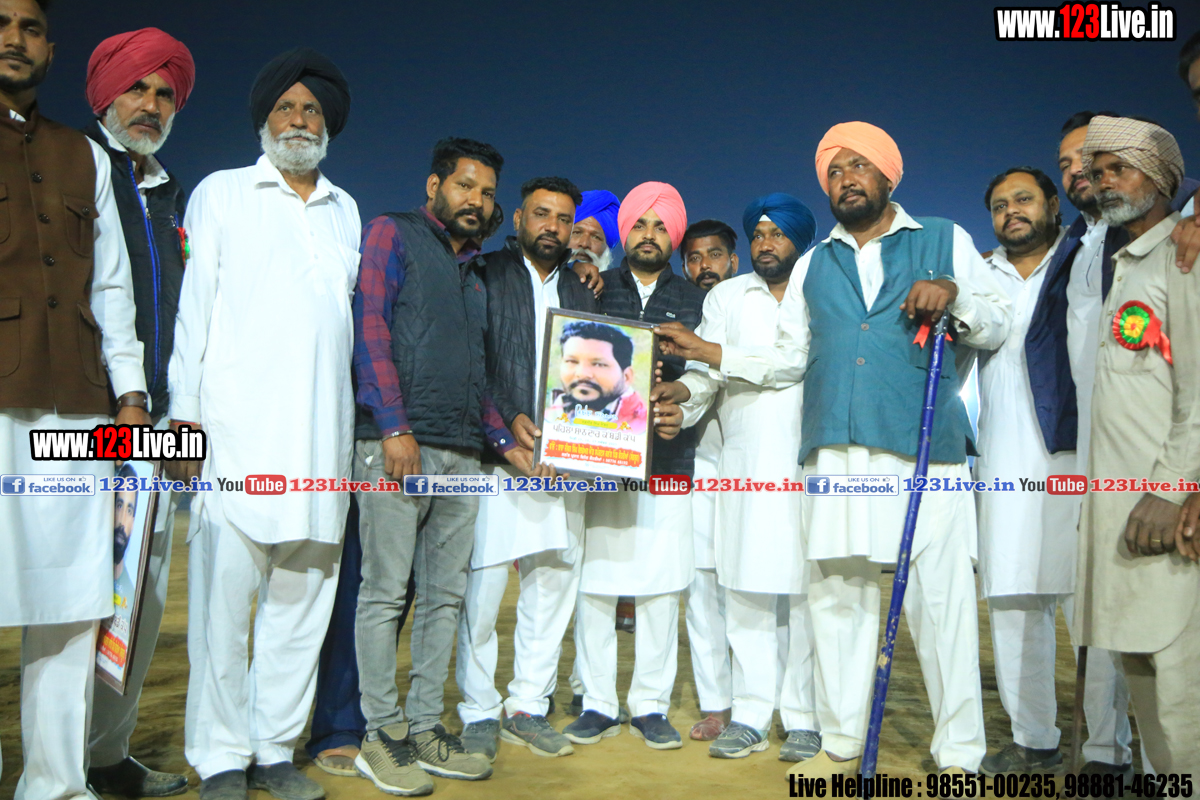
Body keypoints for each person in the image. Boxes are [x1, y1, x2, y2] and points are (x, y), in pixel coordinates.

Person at [656, 122, 1011, 778]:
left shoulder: (944, 238)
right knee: (838, 604)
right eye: (835, 170)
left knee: (942, 608)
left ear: (887, 175)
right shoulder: (815, 262)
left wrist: (956, 296)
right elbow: (790, 357)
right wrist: (712, 356)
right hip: (833, 454)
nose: (846, 178)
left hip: (923, 450)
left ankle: (960, 755)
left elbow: (997, 321)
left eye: (858, 166)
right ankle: (841, 744)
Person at [168, 47, 360, 800]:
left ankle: (274, 747)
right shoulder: (221, 192)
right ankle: (219, 756)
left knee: (300, 607)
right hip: (237, 439)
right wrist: (182, 423)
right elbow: (193, 315)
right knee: (222, 610)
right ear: (263, 120)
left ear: (328, 124)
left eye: (311, 109)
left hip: (321, 443)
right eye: (285, 107)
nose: (299, 120)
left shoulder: (344, 210)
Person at [0, 2, 151, 797]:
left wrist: (131, 396)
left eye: (29, 27)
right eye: (1, 22)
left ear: (50, 49)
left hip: (79, 410)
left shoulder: (81, 154)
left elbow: (112, 287)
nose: (13, 39)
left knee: (69, 598)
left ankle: (54, 785)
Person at [351, 138, 523, 795]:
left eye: (487, 192)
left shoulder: (475, 272)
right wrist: (394, 426)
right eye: (465, 186)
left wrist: (503, 441)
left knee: (444, 599)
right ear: (435, 186)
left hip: (463, 453)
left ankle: (425, 727)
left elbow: (477, 370)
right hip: (400, 447)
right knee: (385, 593)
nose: (476, 200)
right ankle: (380, 735)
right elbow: (370, 328)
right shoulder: (391, 233)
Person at [82, 27, 195, 798]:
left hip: (151, 427)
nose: (151, 105)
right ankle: (57, 766)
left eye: (165, 93)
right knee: (73, 601)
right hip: (78, 417)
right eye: (137, 88)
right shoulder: (74, 167)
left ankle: (105, 757)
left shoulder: (167, 196)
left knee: (142, 596)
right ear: (105, 95)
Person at [671, 194, 821, 762]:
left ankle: (804, 717)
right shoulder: (727, 297)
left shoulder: (819, 291)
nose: (765, 244)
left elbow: (794, 361)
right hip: (744, 464)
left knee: (805, 595)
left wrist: (713, 353)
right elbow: (703, 375)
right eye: (757, 234)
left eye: (776, 233)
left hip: (809, 461)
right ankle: (753, 713)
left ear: (799, 240)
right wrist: (679, 396)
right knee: (746, 591)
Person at [1073, 115, 1200, 778]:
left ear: (1160, 178)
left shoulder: (1185, 255)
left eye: (1118, 168)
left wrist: (1172, 487)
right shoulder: (1123, 264)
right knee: (1145, 680)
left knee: (1182, 695)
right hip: (1122, 519)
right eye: (1096, 172)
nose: (1103, 182)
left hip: (1166, 516)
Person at [456, 176, 598, 762]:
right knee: (484, 586)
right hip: (499, 456)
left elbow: (603, 371)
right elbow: (471, 358)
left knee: (553, 581)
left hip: (565, 463)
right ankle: (477, 709)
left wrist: (587, 442)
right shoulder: (485, 273)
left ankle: (528, 706)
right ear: (518, 218)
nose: (553, 227)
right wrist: (506, 420)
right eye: (542, 214)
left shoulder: (584, 289)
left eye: (564, 219)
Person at [564, 181, 706, 750]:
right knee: (595, 585)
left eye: (660, 226)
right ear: (624, 231)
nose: (649, 235)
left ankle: (650, 704)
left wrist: (682, 401)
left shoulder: (696, 300)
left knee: (661, 587)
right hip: (600, 459)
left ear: (674, 235)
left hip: (670, 457)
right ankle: (597, 702)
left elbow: (708, 371)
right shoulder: (595, 288)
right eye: (639, 224)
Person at [971, 167, 1078, 775]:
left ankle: (1106, 746)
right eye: (999, 205)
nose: (1011, 211)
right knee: (1014, 604)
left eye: (1023, 199)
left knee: (1086, 608)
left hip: (1078, 458)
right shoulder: (978, 274)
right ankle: (1034, 739)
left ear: (1053, 205)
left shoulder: (1085, 258)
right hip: (1004, 460)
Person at [677, 219, 739, 741]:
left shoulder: (758, 305)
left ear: (733, 261)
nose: (705, 266)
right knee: (701, 586)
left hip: (759, 467)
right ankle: (717, 704)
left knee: (756, 587)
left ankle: (766, 699)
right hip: (696, 464)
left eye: (714, 255)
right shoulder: (678, 313)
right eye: (695, 258)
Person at [547, 320, 648, 434]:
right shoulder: (546, 419)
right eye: (572, 361)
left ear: (626, 376)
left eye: (599, 364)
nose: (582, 374)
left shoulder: (644, 429)